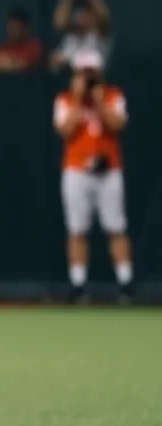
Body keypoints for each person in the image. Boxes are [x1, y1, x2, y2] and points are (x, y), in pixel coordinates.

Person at [52, 49, 133, 304]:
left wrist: (99, 101)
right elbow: (64, 130)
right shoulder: (65, 99)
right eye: (83, 73)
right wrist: (78, 99)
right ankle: (78, 286)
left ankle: (125, 285)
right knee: (77, 229)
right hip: (76, 170)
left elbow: (117, 124)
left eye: (92, 73)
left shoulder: (112, 96)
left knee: (116, 226)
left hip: (109, 171)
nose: (88, 79)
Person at [49, 0, 112, 72]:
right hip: (72, 82)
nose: (81, 16)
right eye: (79, 13)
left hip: (95, 82)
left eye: (86, 13)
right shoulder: (70, 36)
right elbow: (59, 22)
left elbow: (104, 18)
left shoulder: (100, 34)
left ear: (92, 16)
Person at [0, 7, 42, 75]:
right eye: (10, 25)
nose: (11, 29)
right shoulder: (2, 47)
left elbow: (23, 66)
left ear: (26, 27)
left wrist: (2, 63)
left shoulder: (34, 46)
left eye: (16, 25)